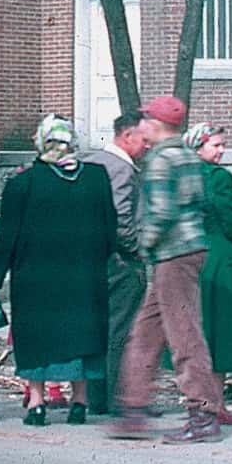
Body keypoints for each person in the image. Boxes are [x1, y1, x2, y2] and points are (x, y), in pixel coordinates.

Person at [0, 115, 115, 427]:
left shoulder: (22, 183)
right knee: (82, 335)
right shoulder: (96, 177)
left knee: (38, 338)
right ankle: (79, 401)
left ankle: (37, 404)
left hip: (35, 278)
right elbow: (110, 229)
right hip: (84, 275)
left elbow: (7, 236)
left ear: (40, 142)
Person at [110, 95, 223, 444]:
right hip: (187, 250)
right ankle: (133, 409)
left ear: (156, 124)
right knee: (145, 334)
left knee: (184, 334)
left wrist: (143, 247)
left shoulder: (160, 160)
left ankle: (203, 415)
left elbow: (160, 214)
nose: (141, 125)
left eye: (145, 119)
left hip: (173, 255)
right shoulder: (187, 155)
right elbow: (201, 203)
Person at [183, 122, 232, 425]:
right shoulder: (219, 177)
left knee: (195, 332)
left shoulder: (180, 173)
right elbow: (231, 220)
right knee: (221, 334)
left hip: (186, 257)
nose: (222, 150)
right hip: (218, 258)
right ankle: (215, 402)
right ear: (199, 147)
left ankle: (198, 401)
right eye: (216, 145)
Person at [83, 111, 150, 415]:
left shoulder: (94, 163)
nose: (148, 145)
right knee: (120, 330)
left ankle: (95, 394)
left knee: (101, 328)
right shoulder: (122, 170)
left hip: (95, 258)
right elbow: (123, 219)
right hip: (122, 263)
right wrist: (136, 251)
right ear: (126, 136)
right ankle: (111, 398)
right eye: (143, 139)